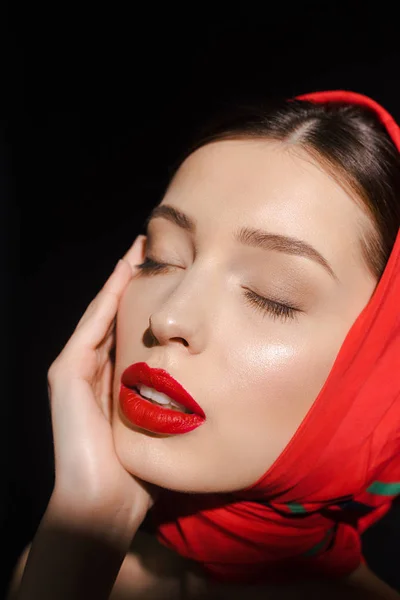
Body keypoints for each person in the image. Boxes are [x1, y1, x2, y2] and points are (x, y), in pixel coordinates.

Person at [8, 90, 400, 599]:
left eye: (271, 296)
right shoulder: (64, 568)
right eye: (162, 259)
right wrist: (91, 521)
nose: (168, 316)